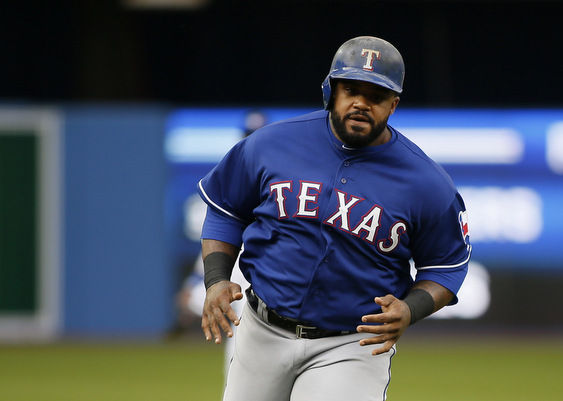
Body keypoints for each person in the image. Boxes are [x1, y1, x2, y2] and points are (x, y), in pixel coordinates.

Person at [197, 36, 472, 401]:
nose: (360, 102)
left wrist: (411, 308)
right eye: (351, 89)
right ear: (331, 90)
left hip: (352, 345)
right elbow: (224, 210)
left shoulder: (427, 183)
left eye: (375, 95)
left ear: (393, 104)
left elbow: (447, 266)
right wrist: (216, 279)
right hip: (261, 331)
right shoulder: (270, 144)